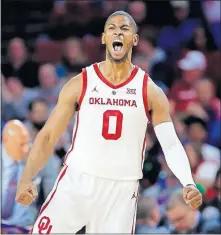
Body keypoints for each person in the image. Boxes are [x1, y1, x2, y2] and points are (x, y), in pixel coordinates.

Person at [16, 11, 202, 233]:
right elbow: (47, 135)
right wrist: (27, 177)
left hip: (121, 191)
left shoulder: (150, 91)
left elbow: (170, 143)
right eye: (112, 28)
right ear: (104, 37)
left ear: (135, 39)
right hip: (78, 180)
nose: (118, 32)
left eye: (124, 29)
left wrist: (188, 182)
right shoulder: (80, 83)